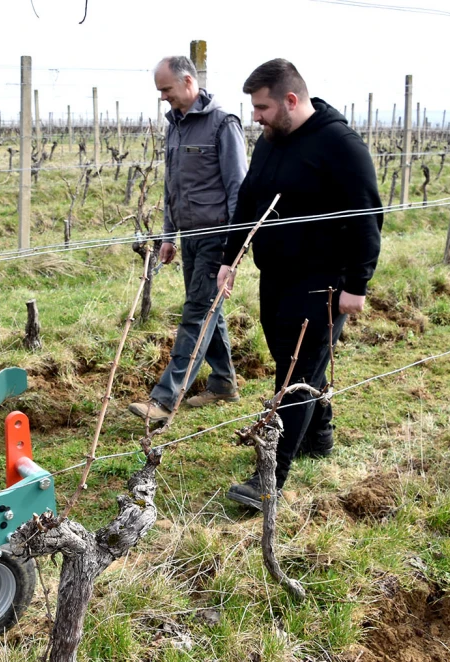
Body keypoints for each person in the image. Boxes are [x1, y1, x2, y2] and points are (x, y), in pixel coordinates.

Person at [220, 58, 382, 510]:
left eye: (263, 107)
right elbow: (249, 200)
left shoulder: (340, 145)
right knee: (291, 361)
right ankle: (320, 430)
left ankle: (269, 477)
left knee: (295, 372)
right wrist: (229, 258)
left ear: (291, 100)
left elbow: (367, 217)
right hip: (275, 276)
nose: (255, 116)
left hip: (323, 283)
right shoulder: (271, 142)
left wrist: (357, 284)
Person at [128, 56, 247, 425]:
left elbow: (237, 189)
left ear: (188, 82)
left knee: (197, 312)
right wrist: (168, 236)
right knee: (209, 309)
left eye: (166, 89)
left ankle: (164, 400)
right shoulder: (175, 127)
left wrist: (234, 248)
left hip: (216, 237)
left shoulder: (223, 124)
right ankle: (224, 381)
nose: (163, 97)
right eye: (160, 90)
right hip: (190, 238)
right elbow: (171, 186)